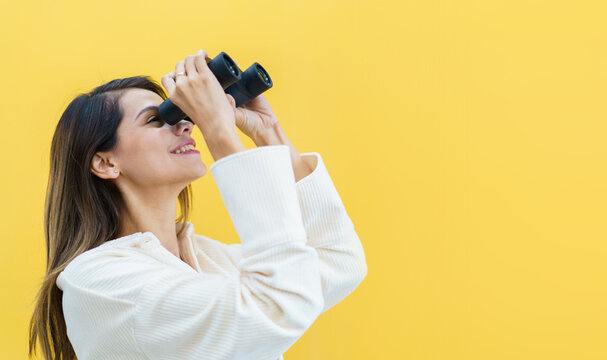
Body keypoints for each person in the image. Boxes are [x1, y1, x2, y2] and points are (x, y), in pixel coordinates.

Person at [28, 49, 368, 360]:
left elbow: (338, 260)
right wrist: (218, 130)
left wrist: (268, 131)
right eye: (156, 120)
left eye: (180, 114)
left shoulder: (209, 258)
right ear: (105, 163)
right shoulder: (101, 282)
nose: (186, 124)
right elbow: (275, 307)